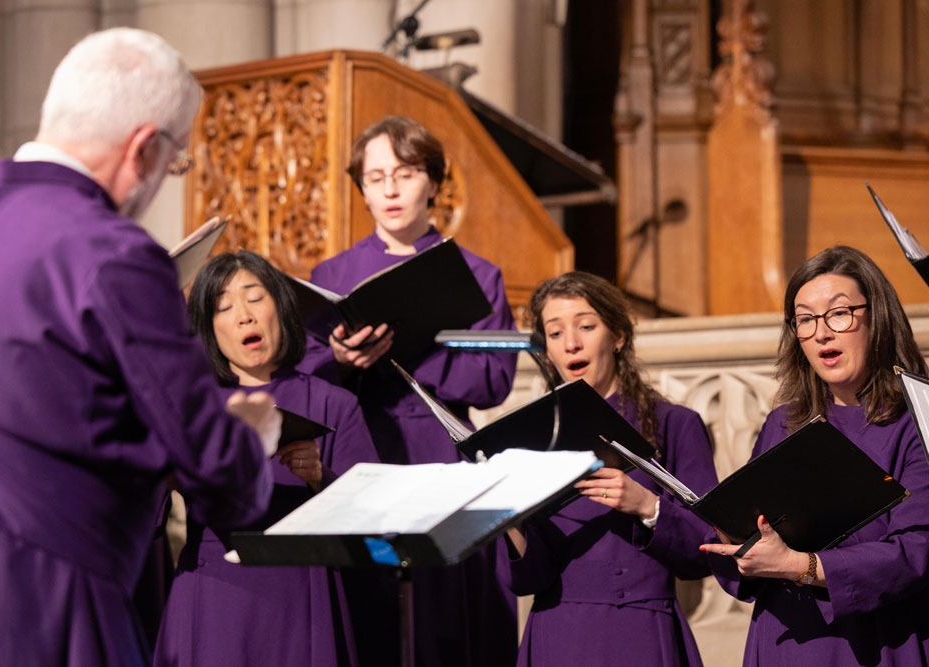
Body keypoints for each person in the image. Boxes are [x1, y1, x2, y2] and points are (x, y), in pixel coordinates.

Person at [0, 28, 281, 667]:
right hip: (63, 602)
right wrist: (251, 438)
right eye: (176, 162)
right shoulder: (113, 253)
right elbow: (216, 474)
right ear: (144, 149)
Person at [297, 115, 519, 666]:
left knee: (447, 621)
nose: (391, 189)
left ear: (434, 183)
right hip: (360, 455)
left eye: (405, 172)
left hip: (443, 456)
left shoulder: (477, 273)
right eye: (375, 177)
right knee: (371, 616)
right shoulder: (333, 272)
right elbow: (302, 378)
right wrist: (343, 361)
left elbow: (494, 380)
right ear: (362, 190)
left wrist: (411, 350)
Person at [700, 245, 929, 666]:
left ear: (877, 318)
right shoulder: (783, 423)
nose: (821, 332)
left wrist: (801, 565)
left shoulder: (916, 419)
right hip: (786, 640)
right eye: (805, 319)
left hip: (877, 644)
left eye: (839, 314)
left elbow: (917, 551)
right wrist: (738, 540)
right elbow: (756, 536)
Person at [154, 250, 380, 667]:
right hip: (213, 589)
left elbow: (375, 530)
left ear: (281, 306)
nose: (243, 315)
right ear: (211, 329)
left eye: (254, 298)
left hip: (302, 593)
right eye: (223, 306)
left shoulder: (335, 403)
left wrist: (320, 478)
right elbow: (145, 509)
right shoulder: (192, 404)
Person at [502, 271, 718, 667]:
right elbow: (526, 580)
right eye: (554, 333)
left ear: (618, 336)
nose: (571, 343)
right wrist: (509, 521)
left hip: (640, 632)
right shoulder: (528, 439)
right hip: (556, 634)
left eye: (586, 326)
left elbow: (707, 551)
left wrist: (648, 506)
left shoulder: (674, 424)